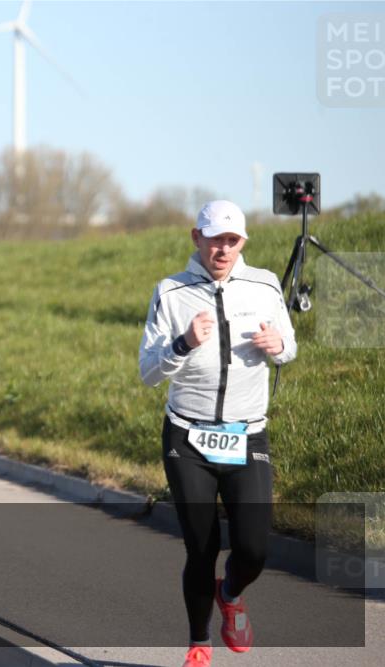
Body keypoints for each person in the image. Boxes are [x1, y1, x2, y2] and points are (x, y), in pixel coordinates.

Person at [138, 200, 296, 667]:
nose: (222, 249)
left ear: (243, 242)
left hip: (248, 435)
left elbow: (289, 346)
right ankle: (199, 644)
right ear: (196, 239)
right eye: (213, 239)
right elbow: (148, 373)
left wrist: (280, 346)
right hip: (188, 435)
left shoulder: (265, 285)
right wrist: (183, 343)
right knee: (201, 546)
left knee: (253, 548)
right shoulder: (171, 292)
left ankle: (230, 594)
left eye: (231, 241)